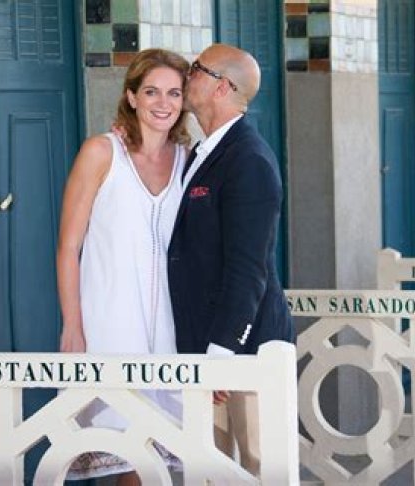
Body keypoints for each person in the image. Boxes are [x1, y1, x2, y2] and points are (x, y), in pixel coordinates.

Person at [56, 48, 190, 485]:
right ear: (131, 96)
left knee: (160, 461)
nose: (163, 103)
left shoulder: (188, 160)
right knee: (126, 457)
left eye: (174, 93)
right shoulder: (101, 152)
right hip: (110, 325)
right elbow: (68, 246)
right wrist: (72, 325)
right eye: (151, 91)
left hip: (170, 332)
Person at [167, 43, 295, 477]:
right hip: (203, 347)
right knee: (210, 471)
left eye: (196, 69)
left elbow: (248, 268)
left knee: (260, 468)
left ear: (222, 87)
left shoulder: (249, 160)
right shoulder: (201, 152)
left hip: (247, 349)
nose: (186, 76)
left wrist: (222, 355)